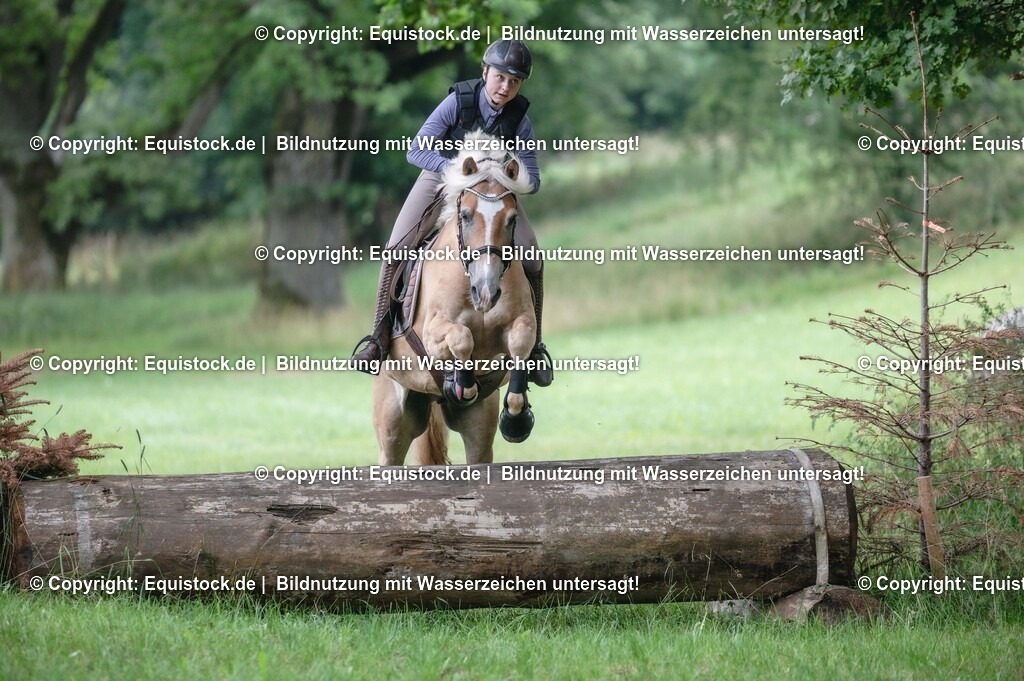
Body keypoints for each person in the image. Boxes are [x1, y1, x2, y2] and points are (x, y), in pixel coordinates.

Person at [351, 39, 553, 387]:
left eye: (514, 81)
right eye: (500, 77)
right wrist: (458, 171)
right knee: (396, 246)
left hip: (493, 188)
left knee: (533, 256)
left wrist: (509, 175)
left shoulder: (520, 118)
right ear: (485, 72)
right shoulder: (458, 102)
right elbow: (417, 150)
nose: (505, 87)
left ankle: (534, 349)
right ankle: (379, 337)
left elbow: (533, 179)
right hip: (443, 178)